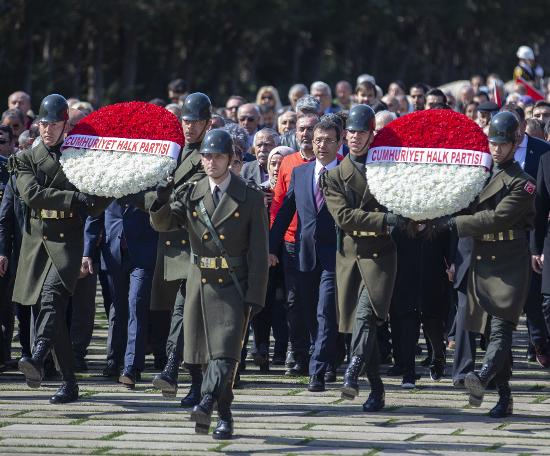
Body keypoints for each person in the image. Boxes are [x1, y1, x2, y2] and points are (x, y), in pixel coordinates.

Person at [150, 128, 269, 440]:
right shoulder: (191, 192)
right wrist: (160, 200)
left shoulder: (250, 197)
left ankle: (206, 402)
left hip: (233, 285)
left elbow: (258, 252)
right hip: (199, 284)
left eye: (217, 156)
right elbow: (165, 224)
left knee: (225, 354)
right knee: (199, 359)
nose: (211, 162)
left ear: (230, 159)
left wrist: (256, 295)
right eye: (206, 156)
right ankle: (223, 415)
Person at [435, 111, 536, 418]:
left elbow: (497, 218)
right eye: (493, 142)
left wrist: (456, 224)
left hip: (509, 262)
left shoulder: (523, 183)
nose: (497, 149)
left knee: (502, 327)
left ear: (515, 142)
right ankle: (504, 397)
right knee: (492, 326)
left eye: (503, 143)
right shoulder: (481, 175)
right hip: (483, 260)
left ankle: (482, 376)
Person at [13, 94, 105, 404]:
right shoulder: (26, 157)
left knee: (52, 297)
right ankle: (69, 382)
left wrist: (92, 199)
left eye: (54, 124)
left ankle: (37, 356)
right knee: (46, 310)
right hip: (37, 240)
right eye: (43, 124)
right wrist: (71, 199)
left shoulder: (78, 156)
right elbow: (32, 195)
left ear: (65, 125)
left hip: (67, 239)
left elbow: (97, 196)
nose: (48, 129)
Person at [322, 105, 400, 412]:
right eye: (351, 132)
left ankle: (353, 370)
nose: (355, 138)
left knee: (367, 317)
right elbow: (343, 216)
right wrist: (383, 219)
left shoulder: (387, 171)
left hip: (380, 257)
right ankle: (377, 389)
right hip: (350, 257)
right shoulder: (334, 176)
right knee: (357, 324)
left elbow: (398, 203)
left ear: (372, 135)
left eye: (361, 132)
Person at [270, 119, 341, 392]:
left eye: (328, 140)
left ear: (339, 142)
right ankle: (326, 356)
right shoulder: (301, 173)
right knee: (309, 311)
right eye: (318, 140)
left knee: (325, 311)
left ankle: (318, 370)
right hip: (305, 253)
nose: (322, 145)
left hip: (335, 255)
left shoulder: (347, 173)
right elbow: (286, 211)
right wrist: (270, 246)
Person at [151, 92, 211, 405]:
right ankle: (194, 383)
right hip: (174, 245)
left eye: (196, 121)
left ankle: (173, 370)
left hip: (197, 245)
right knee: (186, 314)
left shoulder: (209, 154)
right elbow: (153, 194)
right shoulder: (172, 150)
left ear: (207, 123)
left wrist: (160, 197)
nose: (189, 127)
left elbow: (188, 196)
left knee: (186, 313)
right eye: (186, 121)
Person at [270, 112, 319, 375]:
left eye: (311, 128)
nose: (306, 133)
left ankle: (319, 352)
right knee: (293, 301)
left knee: (318, 300)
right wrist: (272, 244)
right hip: (291, 241)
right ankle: (299, 354)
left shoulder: (333, 162)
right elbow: (278, 204)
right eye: (301, 129)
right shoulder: (288, 162)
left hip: (319, 242)